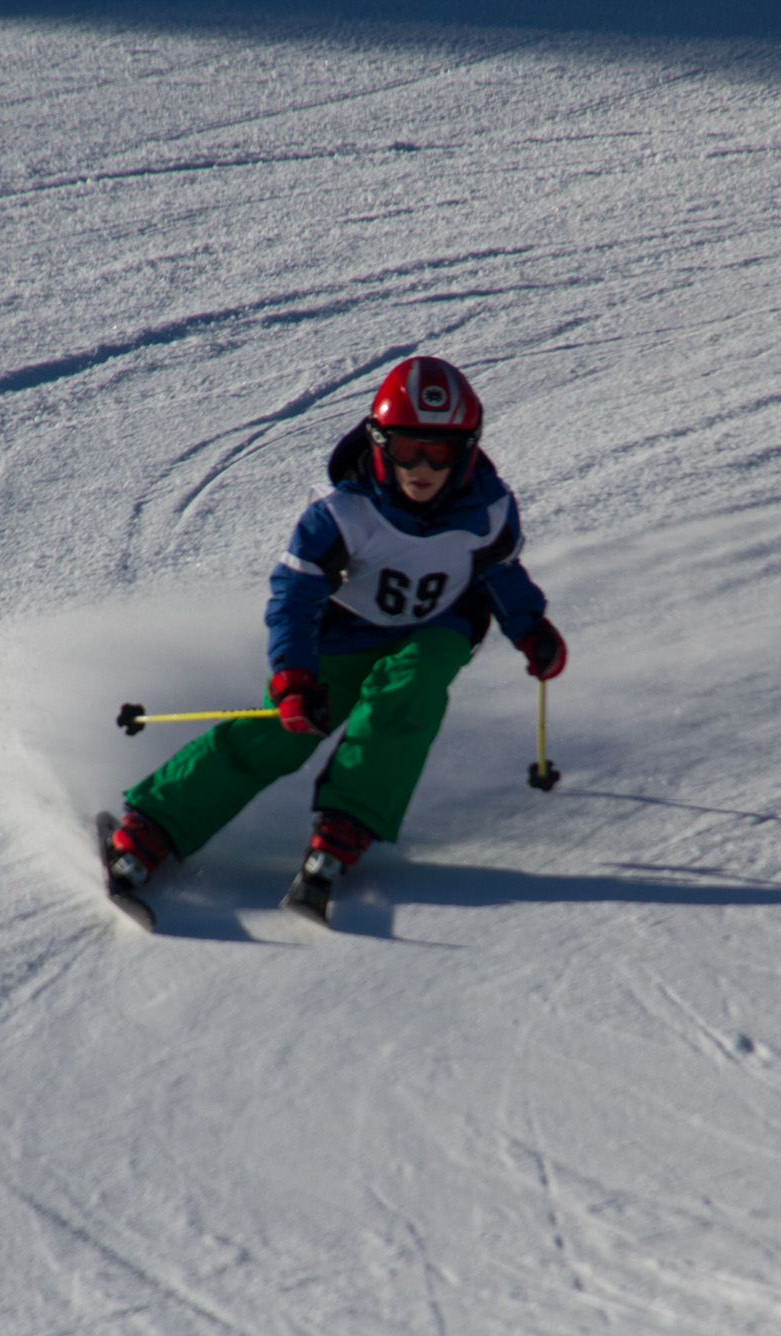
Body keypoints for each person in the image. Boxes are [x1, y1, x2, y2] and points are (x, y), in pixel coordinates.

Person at [104, 355, 566, 925]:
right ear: (380, 444)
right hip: (346, 630)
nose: (422, 467)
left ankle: (345, 828)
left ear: (467, 450)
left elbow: (500, 574)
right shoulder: (342, 511)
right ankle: (151, 828)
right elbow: (294, 596)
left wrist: (530, 627)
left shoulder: (489, 510)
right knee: (284, 729)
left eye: (440, 452)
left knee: (411, 689)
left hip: (440, 623)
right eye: (407, 449)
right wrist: (294, 678)